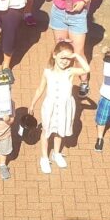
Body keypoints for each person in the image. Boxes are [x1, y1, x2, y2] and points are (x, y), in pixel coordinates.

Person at [29, 41, 90, 174]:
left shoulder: (70, 71)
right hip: (49, 106)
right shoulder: (47, 72)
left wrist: (76, 55)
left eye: (69, 59)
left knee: (60, 131)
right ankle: (44, 157)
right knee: (46, 131)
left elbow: (87, 69)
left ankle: (56, 153)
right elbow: (40, 89)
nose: (65, 61)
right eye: (62, 57)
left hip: (64, 107)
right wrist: (33, 103)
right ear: (54, 55)